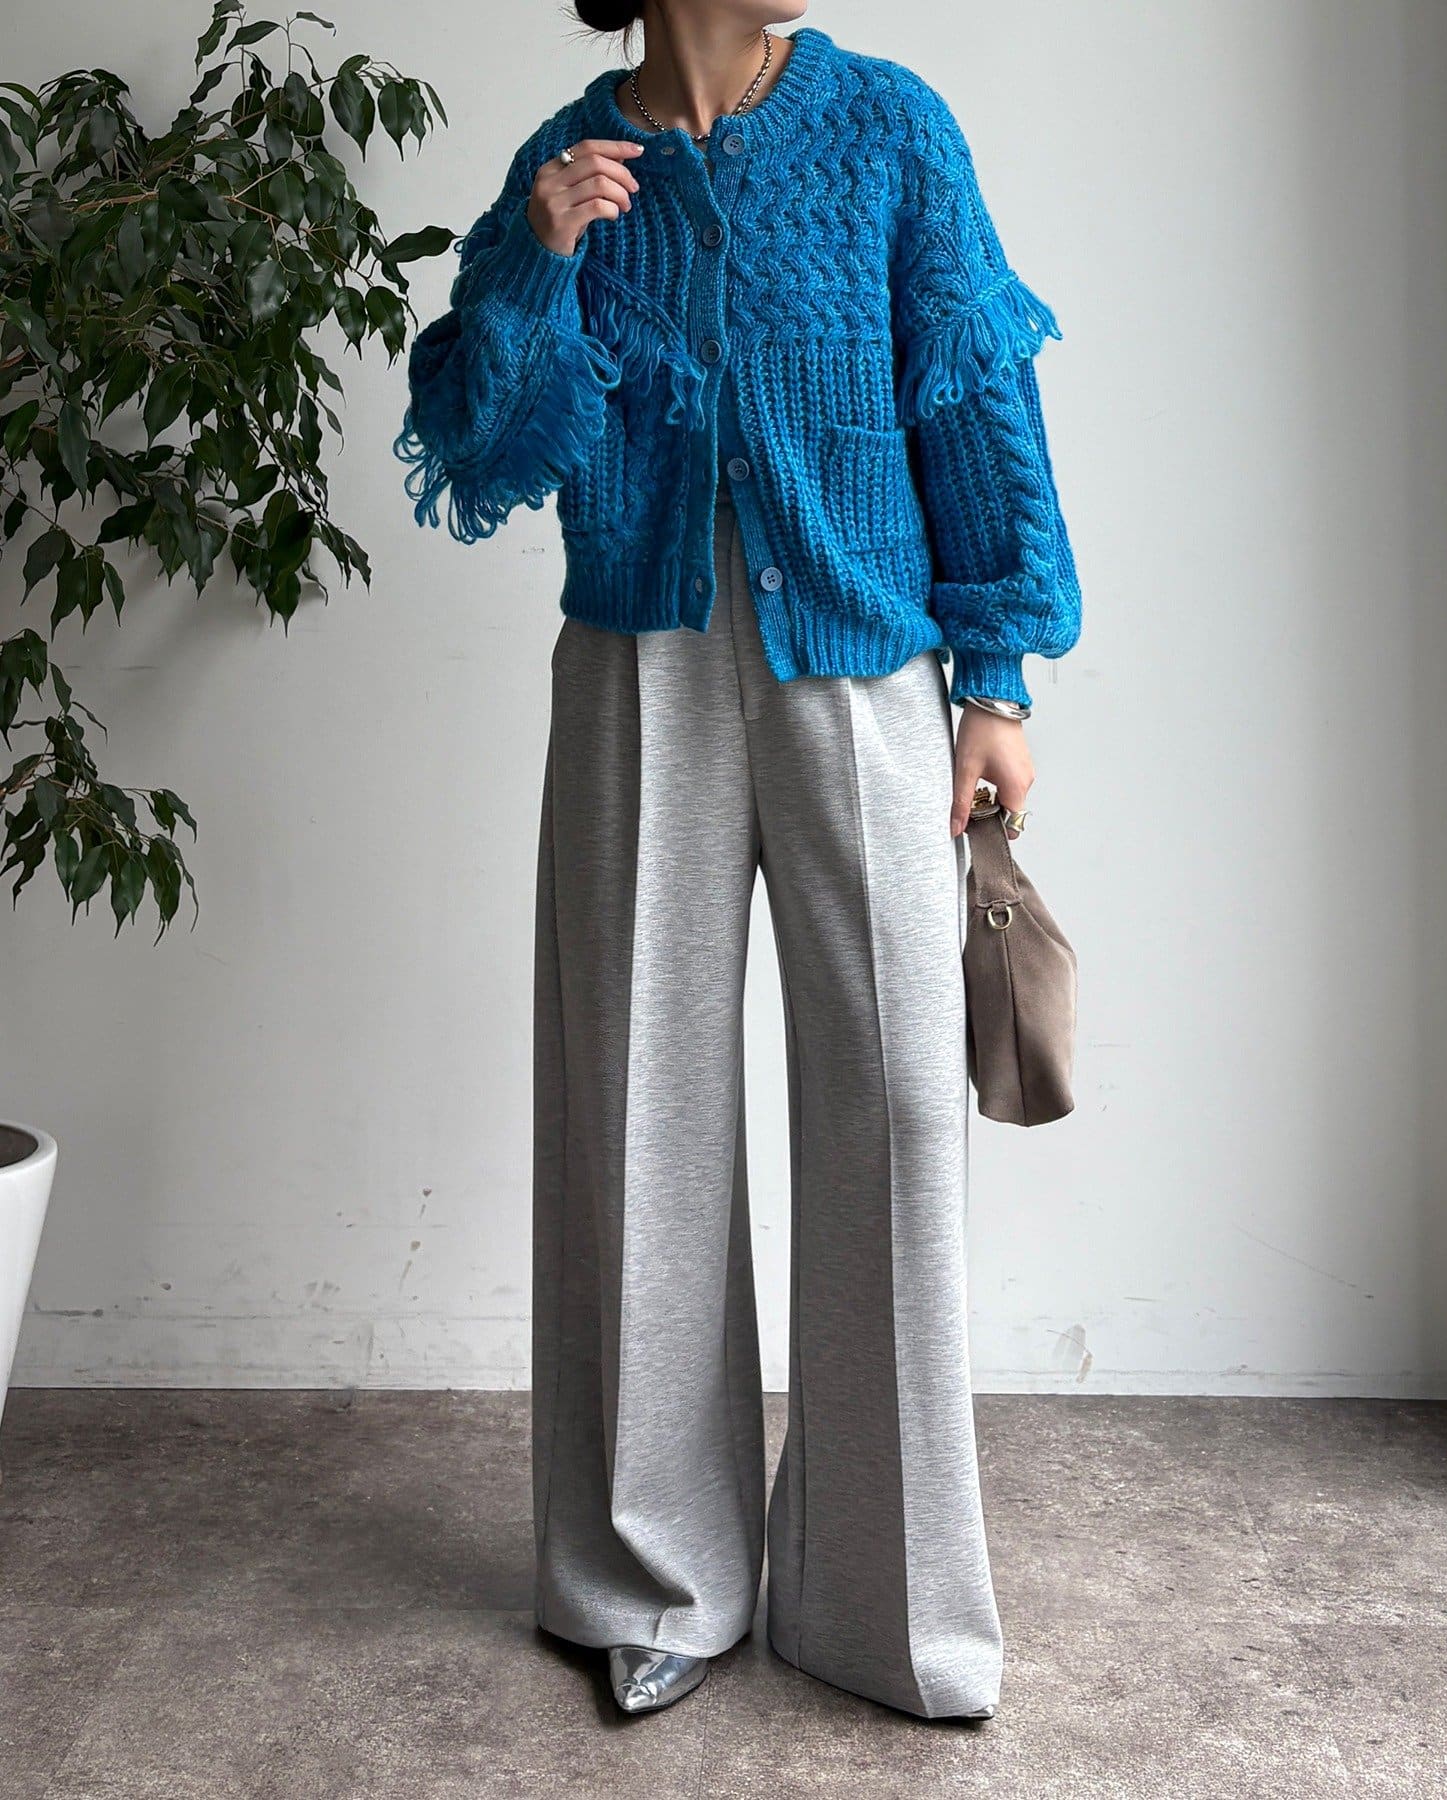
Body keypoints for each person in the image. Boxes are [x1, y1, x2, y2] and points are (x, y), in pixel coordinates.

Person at [395, 0, 1081, 1723]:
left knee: (899, 1105)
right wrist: (538, 264)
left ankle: (889, 1605)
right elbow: (479, 450)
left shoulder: (887, 126)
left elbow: (973, 393)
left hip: (860, 660)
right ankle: (653, 1580)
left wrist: (995, 678)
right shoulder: (567, 162)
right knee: (642, 1108)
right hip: (643, 664)